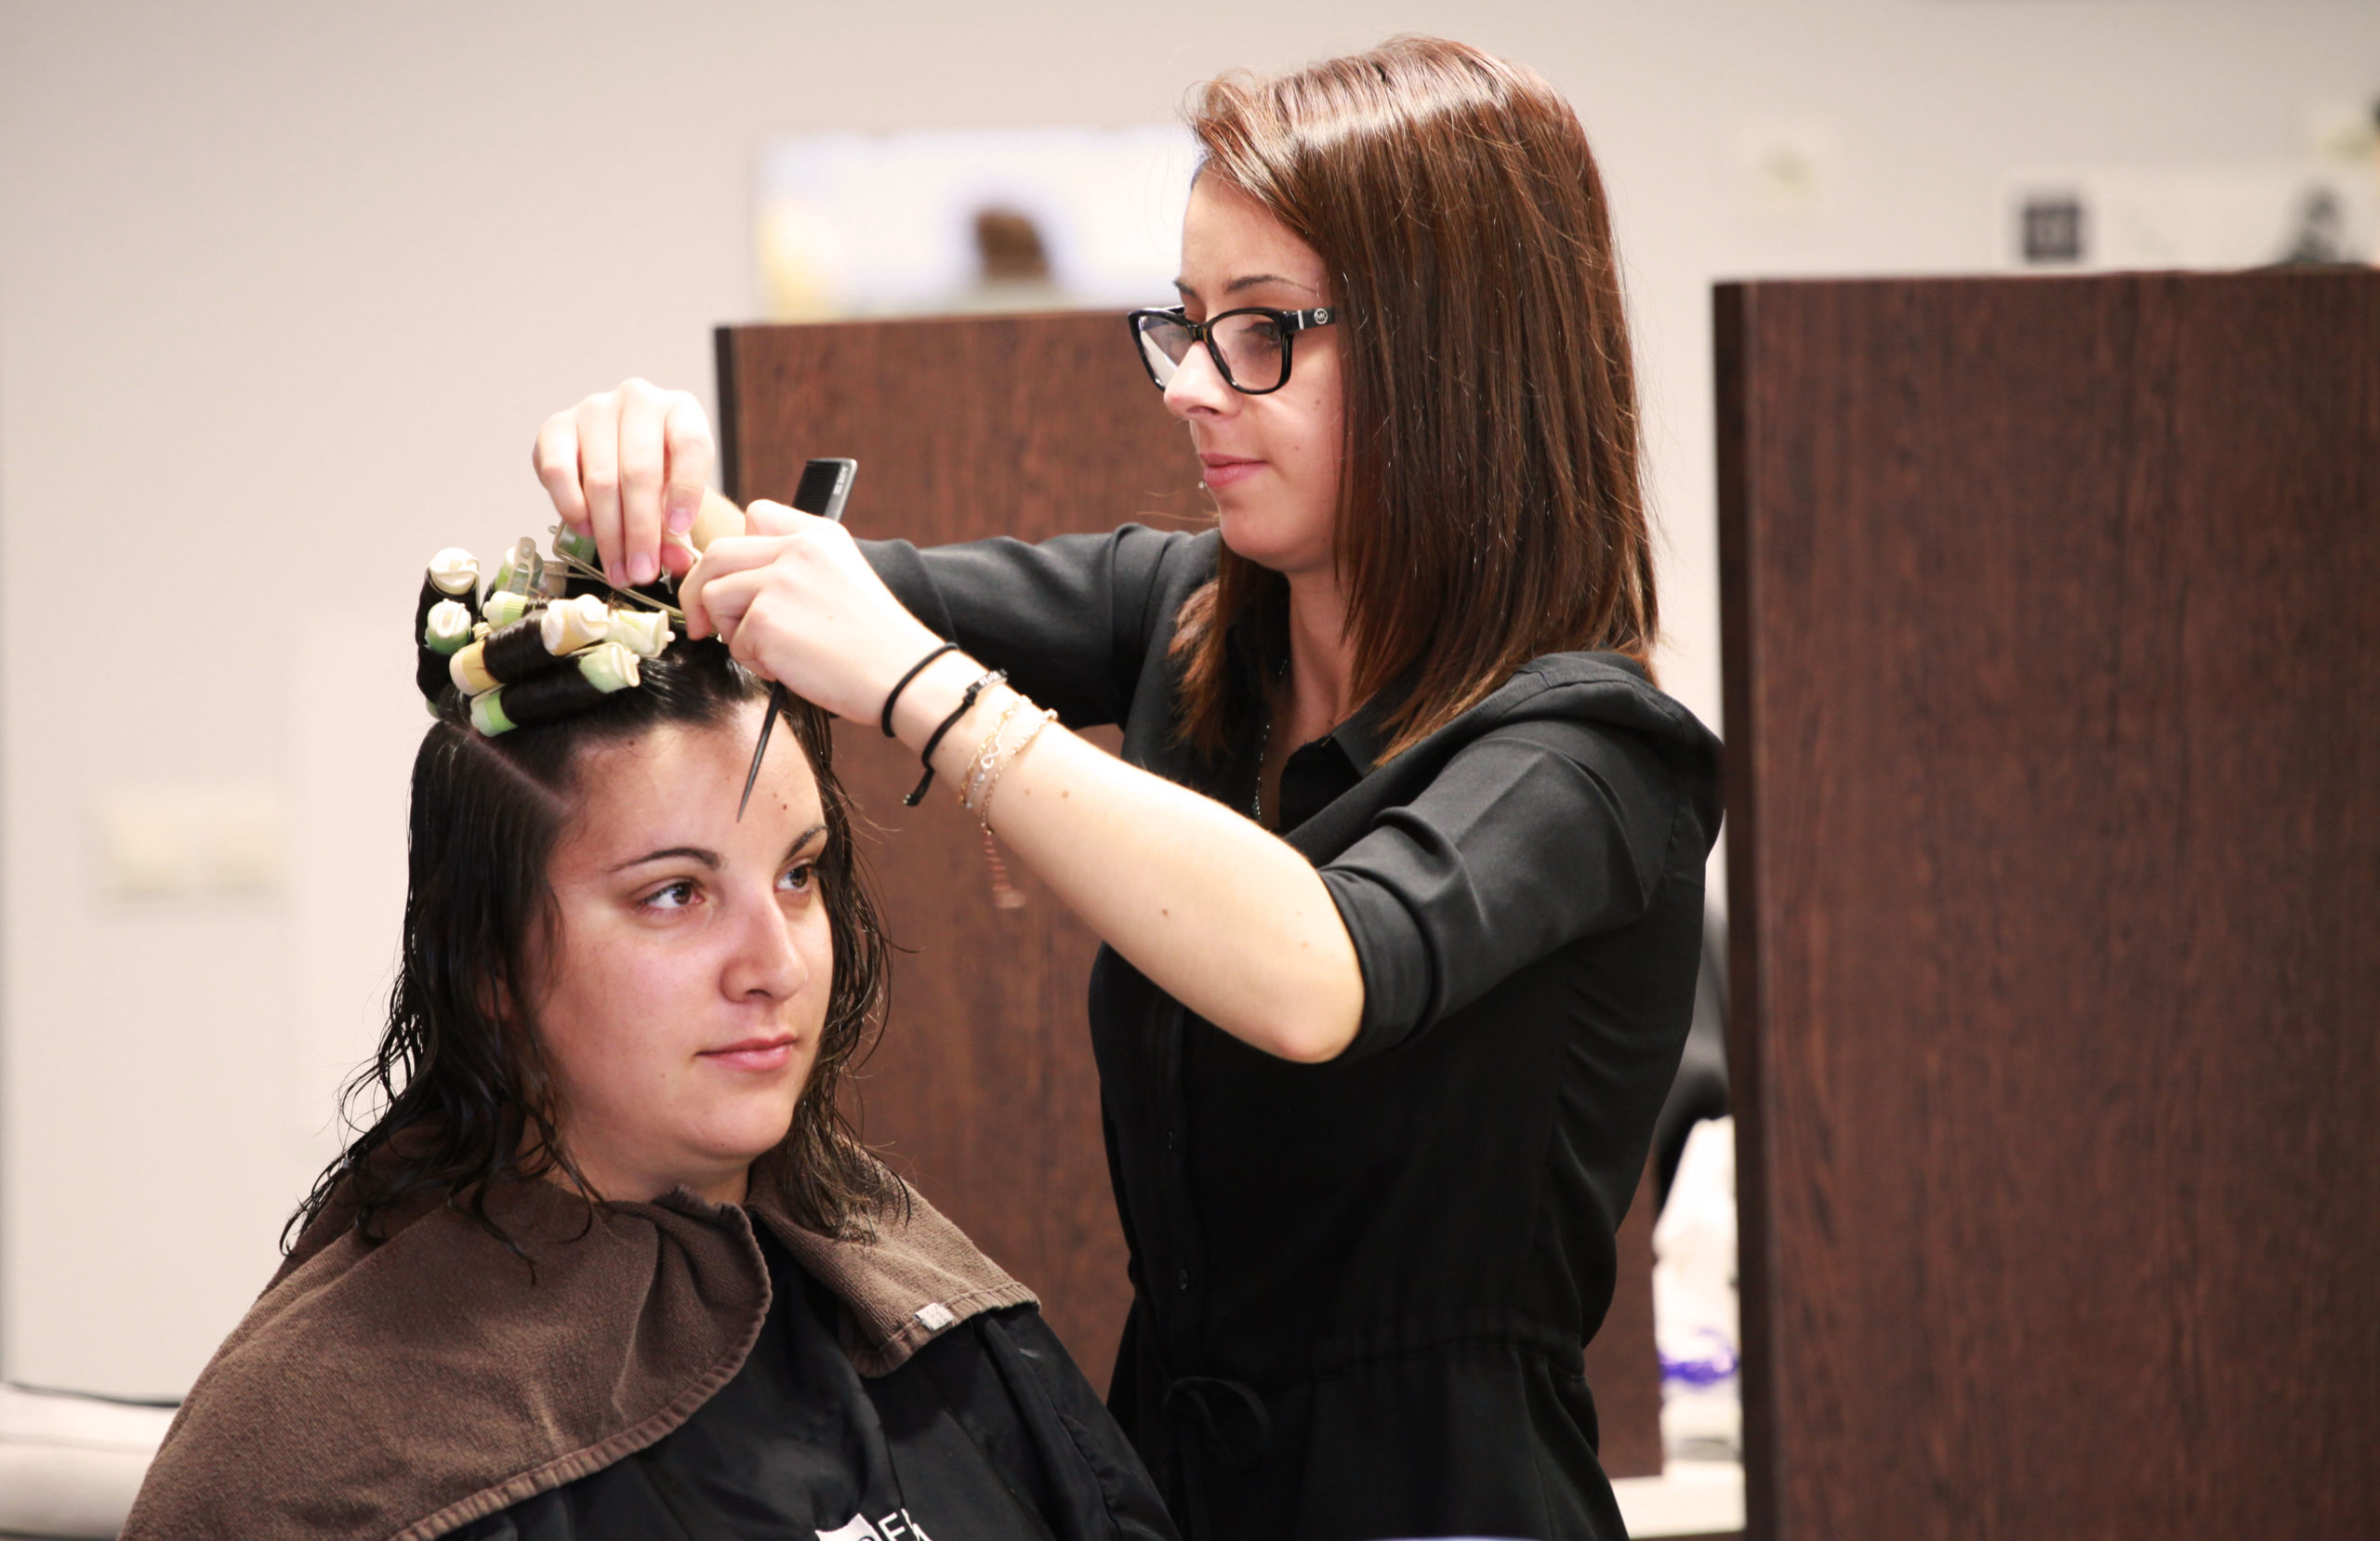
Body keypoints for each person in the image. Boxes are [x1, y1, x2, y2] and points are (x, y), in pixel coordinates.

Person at [535, 35, 1721, 1541]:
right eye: (1188, 324)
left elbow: (1321, 968)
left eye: (1267, 330)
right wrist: (645, 475)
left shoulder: (1596, 754)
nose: (1196, 388)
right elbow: (776, 587)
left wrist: (924, 690)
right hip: (1165, 1480)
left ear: (1454, 356)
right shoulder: (1187, 622)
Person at [122, 566, 1174, 1541]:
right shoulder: (319, 1443)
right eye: (675, 893)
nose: (777, 962)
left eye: (799, 876)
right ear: (488, 953)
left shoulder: (892, 1261)